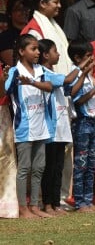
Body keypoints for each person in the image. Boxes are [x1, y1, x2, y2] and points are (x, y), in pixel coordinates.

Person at [21, 0, 73, 206]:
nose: (60, 6)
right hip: (44, 99)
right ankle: (45, 201)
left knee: (61, 154)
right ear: (42, 4)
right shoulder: (35, 29)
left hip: (60, 96)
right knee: (46, 157)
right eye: (55, 2)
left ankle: (59, 197)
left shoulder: (52, 25)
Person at [0, 34, 55, 218]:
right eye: (33, 49)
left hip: (42, 126)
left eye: (38, 48)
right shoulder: (15, 71)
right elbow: (4, 91)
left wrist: (31, 81)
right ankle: (23, 208)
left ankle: (35, 205)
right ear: (22, 51)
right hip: (24, 127)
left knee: (39, 167)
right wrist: (4, 78)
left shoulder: (41, 70)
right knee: (24, 168)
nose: (38, 52)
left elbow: (49, 86)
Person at [38, 39, 93, 215]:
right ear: (45, 55)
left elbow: (71, 90)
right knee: (50, 167)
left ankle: (56, 204)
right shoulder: (44, 73)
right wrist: (81, 65)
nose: (58, 54)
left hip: (62, 127)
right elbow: (69, 78)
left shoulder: (55, 74)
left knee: (59, 167)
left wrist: (83, 74)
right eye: (55, 51)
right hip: (51, 129)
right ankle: (47, 204)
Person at [68, 41, 95, 212]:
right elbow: (77, 100)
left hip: (93, 120)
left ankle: (88, 200)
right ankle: (80, 202)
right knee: (81, 164)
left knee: (91, 162)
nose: (92, 59)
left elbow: (93, 96)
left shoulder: (87, 75)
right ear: (78, 58)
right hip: (81, 123)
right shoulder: (75, 74)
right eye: (88, 57)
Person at [0, 64, 18, 218]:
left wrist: (3, 79)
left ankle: (6, 207)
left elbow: (2, 93)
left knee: (6, 159)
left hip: (2, 111)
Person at [0, 0, 30, 66]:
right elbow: (15, 64)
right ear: (10, 13)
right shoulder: (5, 37)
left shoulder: (33, 32)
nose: (24, 12)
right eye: (19, 9)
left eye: (26, 8)